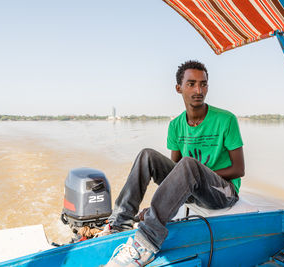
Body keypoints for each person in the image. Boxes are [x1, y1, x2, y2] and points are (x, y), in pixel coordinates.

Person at [105, 60, 245, 267]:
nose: (199, 90)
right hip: (193, 189)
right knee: (147, 155)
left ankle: (146, 244)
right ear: (178, 88)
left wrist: (200, 174)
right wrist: (155, 209)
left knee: (189, 165)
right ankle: (119, 223)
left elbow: (239, 169)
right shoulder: (176, 125)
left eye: (203, 84)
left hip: (223, 192)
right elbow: (174, 174)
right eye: (191, 84)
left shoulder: (226, 120)